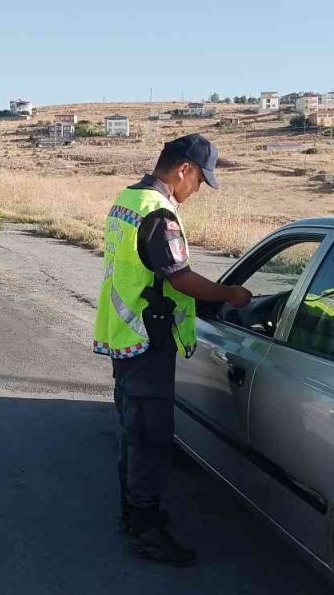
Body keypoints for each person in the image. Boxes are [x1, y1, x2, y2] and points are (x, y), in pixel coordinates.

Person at [94, 133, 252, 566]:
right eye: (200, 180)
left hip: (124, 337)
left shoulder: (128, 198)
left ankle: (135, 513)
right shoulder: (159, 214)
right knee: (149, 439)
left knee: (133, 431)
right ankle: (145, 530)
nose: (198, 190)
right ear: (184, 168)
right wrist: (230, 294)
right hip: (147, 341)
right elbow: (180, 278)